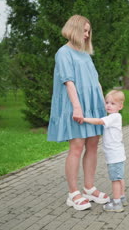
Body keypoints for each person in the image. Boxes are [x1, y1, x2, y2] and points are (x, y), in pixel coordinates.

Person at [47, 15, 110, 211]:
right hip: (77, 104)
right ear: (73, 29)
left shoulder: (85, 54)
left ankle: (89, 188)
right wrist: (77, 106)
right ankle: (73, 193)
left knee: (93, 144)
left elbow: (95, 81)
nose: (87, 34)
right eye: (84, 30)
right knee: (77, 146)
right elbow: (68, 82)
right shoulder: (63, 53)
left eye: (88, 31)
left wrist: (103, 104)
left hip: (93, 105)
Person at [83, 90, 127, 212]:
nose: (108, 105)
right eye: (107, 102)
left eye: (112, 103)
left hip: (114, 155)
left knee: (115, 179)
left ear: (120, 106)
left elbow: (99, 121)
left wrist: (84, 119)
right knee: (119, 177)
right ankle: (122, 198)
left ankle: (117, 203)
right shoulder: (114, 117)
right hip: (118, 155)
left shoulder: (114, 117)